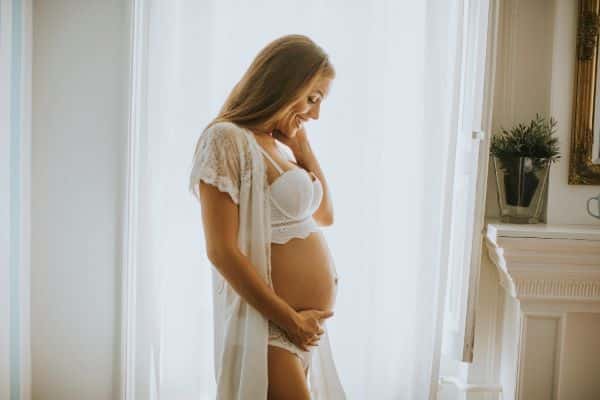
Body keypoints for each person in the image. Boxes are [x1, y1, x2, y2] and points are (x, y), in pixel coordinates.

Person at [189, 34, 346, 400]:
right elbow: (221, 251)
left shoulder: (277, 146)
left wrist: (303, 150)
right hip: (270, 326)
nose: (316, 113)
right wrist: (290, 320)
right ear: (283, 83)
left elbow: (325, 216)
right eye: (313, 98)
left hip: (303, 331)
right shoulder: (226, 139)